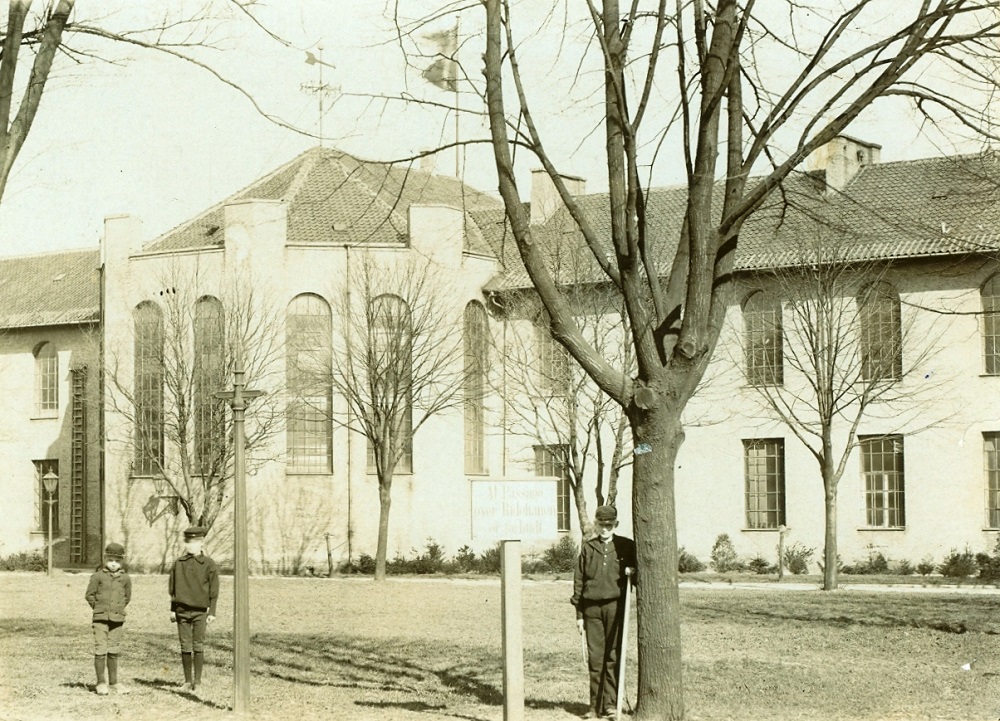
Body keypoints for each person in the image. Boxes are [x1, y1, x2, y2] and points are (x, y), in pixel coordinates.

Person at [570, 505, 637, 719]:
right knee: (596, 658)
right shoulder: (588, 548)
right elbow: (579, 581)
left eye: (609, 525)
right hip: (592, 610)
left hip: (615, 608)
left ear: (615, 524)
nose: (605, 529)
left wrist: (632, 571)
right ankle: (594, 706)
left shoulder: (626, 546)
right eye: (601, 525)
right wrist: (579, 615)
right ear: (596, 524)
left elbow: (637, 577)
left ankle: (610, 704)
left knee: (613, 656)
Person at [168, 525, 219, 693]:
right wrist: (173, 609)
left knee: (198, 644)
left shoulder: (209, 564)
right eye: (188, 542)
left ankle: (197, 681)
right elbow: (173, 589)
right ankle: (187, 681)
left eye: (195, 542)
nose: (191, 545)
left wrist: (212, 611)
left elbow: (214, 590)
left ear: (201, 543)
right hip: (181, 611)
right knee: (185, 645)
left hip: (200, 612)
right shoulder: (178, 564)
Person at [85, 542, 132, 696]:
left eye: (117, 561)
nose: (113, 564)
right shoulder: (97, 576)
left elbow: (127, 597)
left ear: (122, 561)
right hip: (100, 619)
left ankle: (114, 682)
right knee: (100, 649)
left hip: (117, 620)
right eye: (110, 560)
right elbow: (89, 595)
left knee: (113, 649)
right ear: (105, 559)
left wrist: (117, 610)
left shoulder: (125, 579)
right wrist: (99, 608)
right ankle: (100, 683)